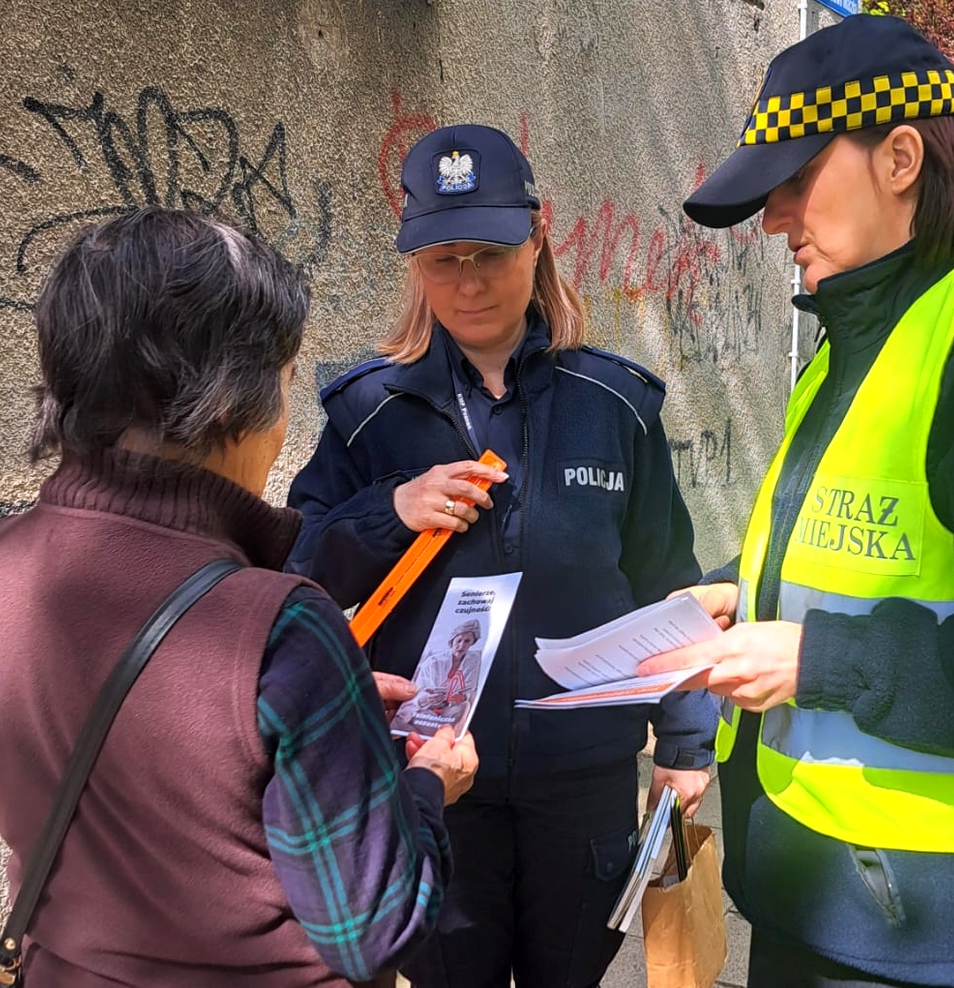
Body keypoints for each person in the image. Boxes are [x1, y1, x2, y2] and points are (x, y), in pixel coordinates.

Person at [638, 15, 954, 988]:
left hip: (933, 934)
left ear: (900, 158)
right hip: (819, 901)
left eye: (794, 181)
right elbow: (854, 553)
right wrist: (731, 594)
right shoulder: (856, 343)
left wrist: (813, 658)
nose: (773, 220)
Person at [0, 207, 478, 988]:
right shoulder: (282, 625)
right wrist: (426, 784)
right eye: (286, 385)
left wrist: (338, 724)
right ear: (232, 405)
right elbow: (376, 928)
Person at [286, 123, 717, 988]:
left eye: (489, 250)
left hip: (584, 780)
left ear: (539, 232)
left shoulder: (616, 403)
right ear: (414, 263)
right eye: (442, 258)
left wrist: (686, 741)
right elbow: (298, 578)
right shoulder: (368, 413)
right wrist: (389, 511)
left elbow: (668, 584)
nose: (469, 280)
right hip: (435, 779)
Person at [393, 619, 484, 734]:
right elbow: (416, 692)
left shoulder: (474, 661)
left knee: (464, 706)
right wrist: (428, 699)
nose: (461, 645)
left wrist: (451, 697)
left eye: (467, 641)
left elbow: (469, 692)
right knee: (437, 731)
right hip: (424, 708)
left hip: (449, 708)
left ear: (473, 642)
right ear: (452, 641)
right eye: (459, 640)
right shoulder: (433, 662)